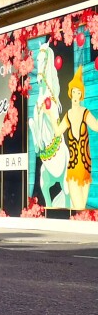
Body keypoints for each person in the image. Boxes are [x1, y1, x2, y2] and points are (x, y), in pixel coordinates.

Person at [61, 68, 98, 210]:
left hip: (85, 168)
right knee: (79, 208)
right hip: (73, 168)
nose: (76, 95)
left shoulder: (85, 113)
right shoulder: (68, 115)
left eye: (79, 92)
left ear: (81, 95)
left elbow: (96, 127)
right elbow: (58, 131)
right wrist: (50, 114)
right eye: (74, 91)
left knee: (81, 209)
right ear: (70, 93)